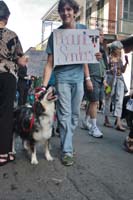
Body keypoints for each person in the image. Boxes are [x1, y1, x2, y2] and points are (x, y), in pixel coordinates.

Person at [41, 0, 99, 166]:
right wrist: (44, 86)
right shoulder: (56, 35)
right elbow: (50, 63)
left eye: (68, 9)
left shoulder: (83, 31)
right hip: (62, 79)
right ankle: (67, 149)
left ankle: (66, 141)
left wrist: (88, 77)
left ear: (74, 11)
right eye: (62, 10)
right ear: (59, 14)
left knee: (74, 115)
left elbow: (86, 58)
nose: (65, 13)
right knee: (65, 114)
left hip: (79, 78)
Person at [0, 1, 26, 166]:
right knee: (6, 114)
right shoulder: (13, 35)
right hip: (8, 76)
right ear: (7, 18)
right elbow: (21, 59)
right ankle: (6, 152)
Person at [81, 28, 106, 138]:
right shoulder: (89, 47)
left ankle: (86, 121)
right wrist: (88, 79)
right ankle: (93, 127)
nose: (102, 37)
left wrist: (104, 79)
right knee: (94, 102)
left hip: (100, 78)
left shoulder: (101, 49)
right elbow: (84, 62)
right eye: (100, 35)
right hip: (92, 77)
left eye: (102, 35)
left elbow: (103, 65)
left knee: (93, 102)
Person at [104, 41, 128, 131]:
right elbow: (105, 71)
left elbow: (123, 71)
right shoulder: (108, 58)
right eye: (119, 49)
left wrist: (126, 63)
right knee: (107, 98)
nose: (120, 51)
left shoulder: (120, 59)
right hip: (110, 80)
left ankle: (118, 121)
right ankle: (106, 119)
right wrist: (104, 82)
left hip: (119, 79)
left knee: (120, 99)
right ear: (114, 49)